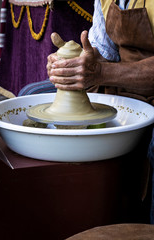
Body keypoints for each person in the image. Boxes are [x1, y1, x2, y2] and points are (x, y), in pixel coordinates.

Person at [47, 0, 154, 223]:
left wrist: (102, 72)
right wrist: (71, 63)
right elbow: (104, 51)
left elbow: (104, 69)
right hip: (123, 84)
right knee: (31, 91)